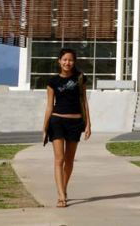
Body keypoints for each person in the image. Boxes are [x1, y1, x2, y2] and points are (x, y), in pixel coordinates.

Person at [43, 48, 92, 208]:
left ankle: (63, 188)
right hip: (57, 121)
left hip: (75, 123)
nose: (67, 62)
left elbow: (84, 101)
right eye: (64, 59)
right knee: (60, 159)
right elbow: (49, 106)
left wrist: (88, 124)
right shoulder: (52, 82)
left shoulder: (80, 78)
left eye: (70, 60)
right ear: (59, 61)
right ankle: (61, 196)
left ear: (74, 62)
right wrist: (44, 128)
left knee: (69, 160)